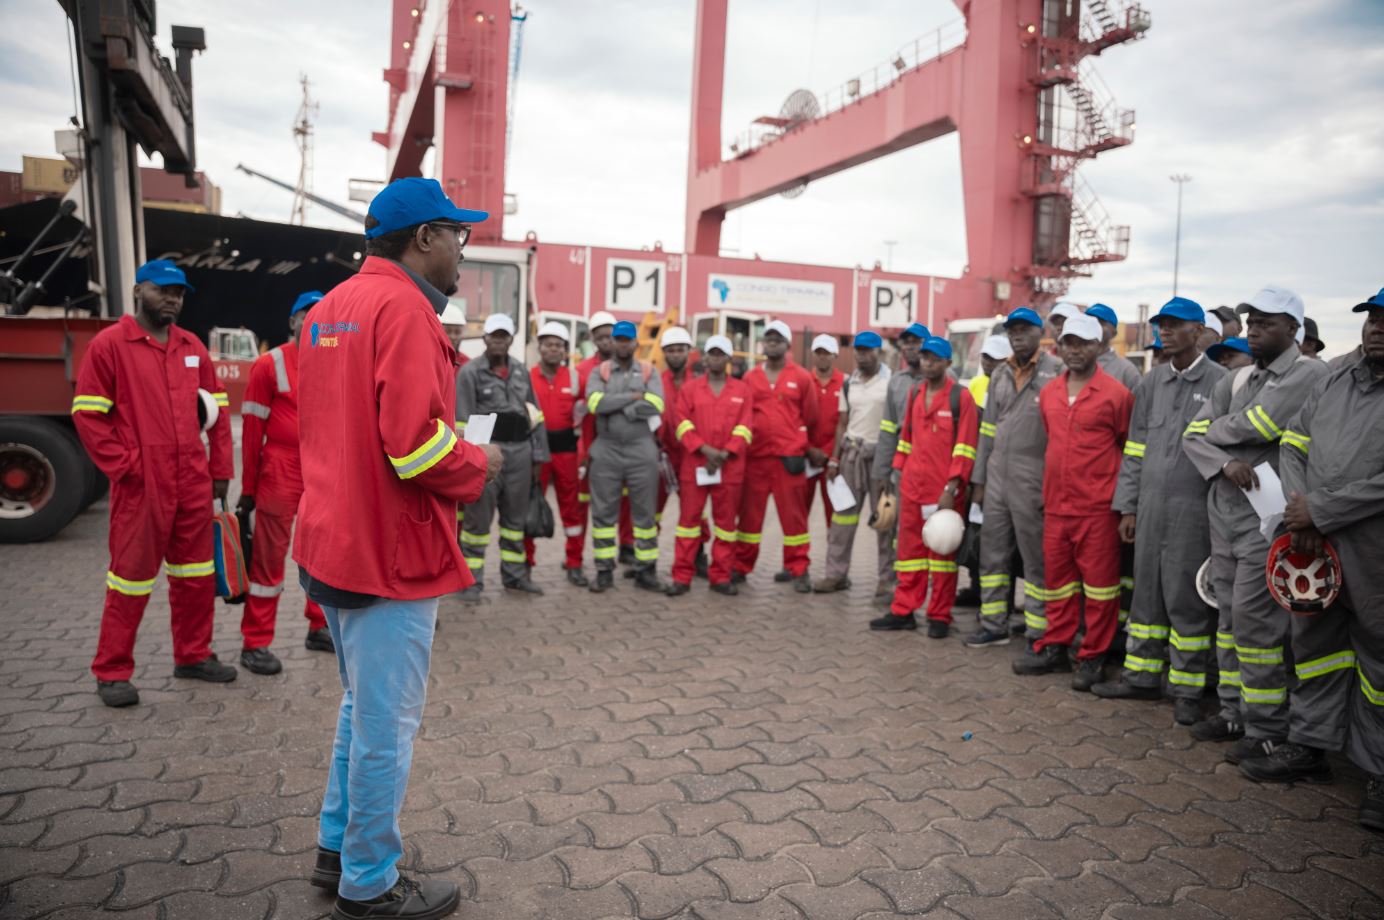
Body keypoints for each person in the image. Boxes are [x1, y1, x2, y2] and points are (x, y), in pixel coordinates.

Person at [294, 177, 501, 918]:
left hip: (334, 541)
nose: (461, 252)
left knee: (361, 708)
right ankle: (369, 882)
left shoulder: (330, 308)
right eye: (457, 235)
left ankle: (335, 849)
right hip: (390, 551)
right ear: (424, 238)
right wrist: (480, 465)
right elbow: (415, 450)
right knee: (387, 727)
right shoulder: (406, 311)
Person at [72, 258, 238, 707]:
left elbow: (218, 416)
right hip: (143, 486)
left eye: (179, 292)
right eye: (163, 289)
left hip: (192, 481)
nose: (172, 298)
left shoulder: (192, 348)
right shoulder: (110, 346)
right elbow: (88, 416)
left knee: (197, 576)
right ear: (138, 291)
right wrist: (127, 466)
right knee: (129, 579)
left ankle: (193, 655)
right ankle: (112, 671)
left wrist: (221, 471)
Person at [1181, 285, 1328, 762]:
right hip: (1224, 510)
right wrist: (1223, 463)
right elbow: (1191, 434)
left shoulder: (1308, 374)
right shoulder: (1240, 378)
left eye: (1266, 322)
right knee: (1228, 619)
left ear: (1293, 328)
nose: (1253, 329)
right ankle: (1232, 713)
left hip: (1265, 522)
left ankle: (1265, 727)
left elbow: (1260, 426)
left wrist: (1217, 431)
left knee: (1255, 625)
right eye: (1251, 321)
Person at [1253, 289, 1384, 828]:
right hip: (1314, 540)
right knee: (1316, 646)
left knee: (1379, 659)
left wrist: (1322, 509)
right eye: (1373, 319)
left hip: (1372, 547)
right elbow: (1292, 442)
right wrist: (1297, 509)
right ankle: (1310, 748)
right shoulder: (1334, 375)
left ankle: (1378, 772)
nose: (1377, 328)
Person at [1095, 298, 1225, 724]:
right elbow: (1134, 451)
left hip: (1194, 511)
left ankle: (1187, 687)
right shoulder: (1151, 384)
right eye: (1161, 325)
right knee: (1146, 593)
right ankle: (1141, 676)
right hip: (1150, 507)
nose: (1164, 332)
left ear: (1200, 332)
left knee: (1186, 597)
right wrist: (1127, 507)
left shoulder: (1221, 383)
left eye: (1174, 325)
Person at [1013, 313, 1134, 689]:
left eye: (1084, 343)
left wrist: (1126, 505)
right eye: (1069, 342)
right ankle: (1057, 647)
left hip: (1097, 509)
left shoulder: (1117, 394)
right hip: (1056, 507)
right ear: (1060, 346)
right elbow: (1053, 441)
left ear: (1100, 347)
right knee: (1058, 583)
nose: (1076, 350)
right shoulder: (1048, 393)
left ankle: (1093, 655)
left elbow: (1128, 448)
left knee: (1100, 588)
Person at [236, 289, 335, 677]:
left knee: (322, 555)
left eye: (322, 314)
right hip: (280, 467)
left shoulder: (337, 361)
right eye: (306, 314)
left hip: (322, 469)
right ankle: (255, 643)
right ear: (292, 321)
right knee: (269, 558)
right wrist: (247, 489)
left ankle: (318, 626)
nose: (313, 320)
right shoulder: (269, 364)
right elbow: (251, 429)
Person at [965, 308, 1063, 647]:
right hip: (996, 480)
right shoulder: (1001, 374)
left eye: (1023, 329)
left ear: (1040, 332)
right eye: (1012, 331)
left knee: (1036, 557)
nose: (1017, 335)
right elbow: (987, 432)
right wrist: (979, 483)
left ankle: (1039, 629)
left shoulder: (1056, 372)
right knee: (992, 553)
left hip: (1033, 479)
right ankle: (993, 624)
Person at [871, 336, 978, 636]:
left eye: (934, 358)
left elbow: (966, 446)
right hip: (911, 488)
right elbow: (905, 439)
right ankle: (903, 610)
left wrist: (952, 488)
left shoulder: (961, 397)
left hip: (943, 493)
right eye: (924, 358)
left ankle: (940, 616)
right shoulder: (915, 393)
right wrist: (896, 476)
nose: (927, 363)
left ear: (947, 363)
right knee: (908, 553)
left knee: (942, 555)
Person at [455, 313, 548, 601]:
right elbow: (462, 420)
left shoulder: (521, 371)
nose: (498, 341)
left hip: (520, 453)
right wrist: (470, 461)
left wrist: (538, 456)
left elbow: (535, 415)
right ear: (485, 339)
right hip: (486, 453)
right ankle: (471, 582)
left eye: (503, 336)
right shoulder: (470, 373)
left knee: (515, 520)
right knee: (476, 523)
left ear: (510, 340)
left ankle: (515, 577)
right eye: (494, 336)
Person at [734, 320, 821, 591]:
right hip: (756, 459)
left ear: (787, 345)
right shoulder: (750, 378)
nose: (772, 343)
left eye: (777, 339)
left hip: (788, 459)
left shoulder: (802, 377)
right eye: (768, 338)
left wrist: (799, 442)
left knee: (794, 518)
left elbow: (811, 416)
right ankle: (740, 566)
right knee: (749, 519)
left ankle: (798, 569)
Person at [666, 335, 753, 596]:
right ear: (705, 358)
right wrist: (705, 450)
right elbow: (681, 424)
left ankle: (721, 576)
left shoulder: (742, 390)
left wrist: (725, 453)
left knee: (726, 526)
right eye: (711, 354)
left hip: (729, 468)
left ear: (728, 359)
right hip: (696, 466)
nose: (715, 358)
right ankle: (682, 576)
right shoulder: (690, 389)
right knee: (688, 524)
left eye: (720, 354)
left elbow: (746, 427)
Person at [584, 320, 667, 593]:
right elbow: (595, 403)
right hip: (606, 448)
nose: (622, 343)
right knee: (603, 514)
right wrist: (633, 397)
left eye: (626, 339)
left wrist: (620, 406)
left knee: (645, 515)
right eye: (618, 339)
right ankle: (604, 571)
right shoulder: (601, 370)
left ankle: (646, 571)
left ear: (635, 343)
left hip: (641, 447)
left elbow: (657, 404)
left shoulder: (648, 370)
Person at [815, 330, 893, 594]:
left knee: (884, 519)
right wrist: (835, 459)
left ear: (878, 352)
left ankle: (886, 579)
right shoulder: (849, 384)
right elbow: (842, 424)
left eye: (867, 350)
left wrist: (891, 463)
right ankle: (835, 574)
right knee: (842, 519)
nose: (861, 355)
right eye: (858, 350)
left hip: (880, 460)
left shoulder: (891, 382)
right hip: (851, 457)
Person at [525, 321, 589, 586]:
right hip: (537, 452)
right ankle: (526, 564)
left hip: (566, 451)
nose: (553, 349)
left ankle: (574, 562)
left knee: (571, 508)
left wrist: (584, 452)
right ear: (539, 348)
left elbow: (586, 417)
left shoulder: (575, 379)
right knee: (529, 506)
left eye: (558, 346)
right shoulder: (527, 376)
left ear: (565, 350)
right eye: (548, 344)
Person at [870, 322, 930, 603]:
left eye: (916, 341)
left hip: (933, 469)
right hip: (901, 469)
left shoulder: (947, 379)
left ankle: (930, 588)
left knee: (932, 530)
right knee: (893, 528)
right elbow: (887, 430)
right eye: (905, 342)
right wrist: (882, 471)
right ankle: (889, 582)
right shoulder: (897, 381)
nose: (909, 347)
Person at [955, 334, 1012, 607]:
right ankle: (976, 588)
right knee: (975, 531)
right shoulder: (974, 386)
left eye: (995, 358)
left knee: (1001, 539)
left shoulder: (1013, 385)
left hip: (1002, 471)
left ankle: (1005, 598)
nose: (989, 363)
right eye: (985, 357)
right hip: (977, 468)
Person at [658, 326, 708, 575]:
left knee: (693, 509)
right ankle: (644, 558)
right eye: (671, 350)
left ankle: (698, 556)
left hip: (691, 455)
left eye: (680, 350)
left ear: (689, 352)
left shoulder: (700, 384)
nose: (676, 354)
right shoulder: (654, 380)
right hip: (663, 454)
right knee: (652, 509)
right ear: (664, 353)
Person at [804, 333, 844, 532]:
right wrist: (810, 450)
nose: (822, 357)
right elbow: (797, 421)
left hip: (833, 462)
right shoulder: (804, 381)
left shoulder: (845, 384)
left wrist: (830, 456)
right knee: (800, 514)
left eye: (826, 353)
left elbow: (844, 423)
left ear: (834, 356)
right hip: (806, 458)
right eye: (818, 352)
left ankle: (834, 563)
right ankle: (798, 561)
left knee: (835, 515)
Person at [1085, 303, 1143, 391]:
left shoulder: (1127, 371)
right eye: (1090, 321)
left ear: (1114, 333)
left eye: (1100, 322)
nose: (1094, 326)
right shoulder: (1073, 365)